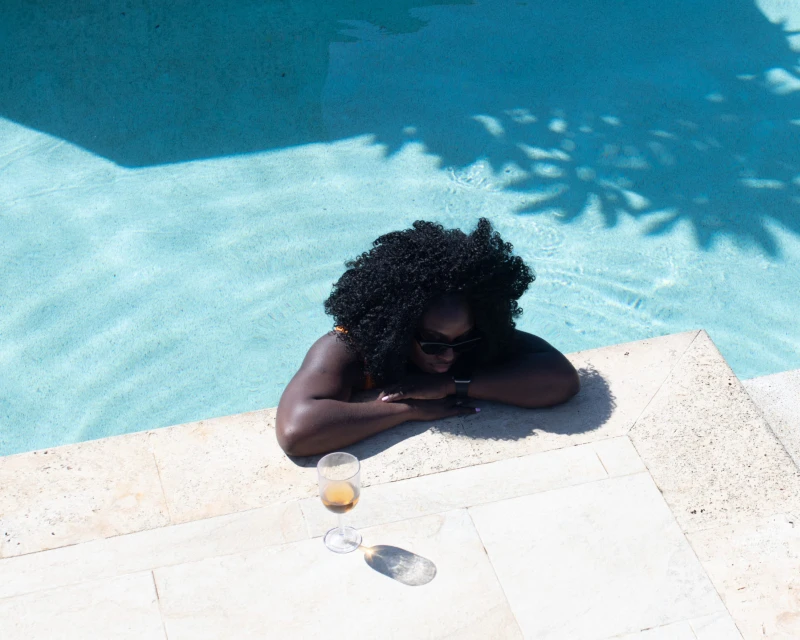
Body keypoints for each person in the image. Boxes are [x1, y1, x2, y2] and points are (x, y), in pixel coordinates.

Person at [276, 218, 579, 456]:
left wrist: (448, 385)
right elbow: (297, 431)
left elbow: (561, 380)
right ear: (399, 328)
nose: (448, 355)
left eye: (462, 342)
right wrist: (409, 410)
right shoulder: (350, 347)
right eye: (433, 343)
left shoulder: (479, 334)